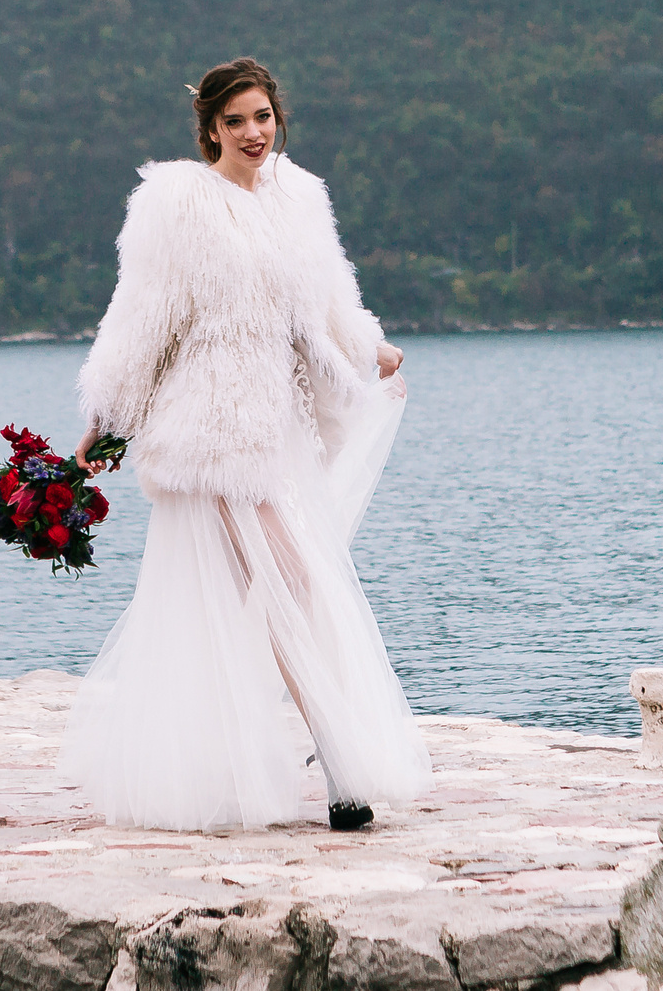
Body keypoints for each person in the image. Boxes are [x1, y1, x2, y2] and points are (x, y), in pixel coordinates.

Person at [60, 57, 430, 831]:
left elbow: (328, 296)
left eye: (262, 116)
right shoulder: (178, 204)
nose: (253, 133)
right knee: (291, 581)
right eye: (235, 122)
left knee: (266, 594)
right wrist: (104, 417)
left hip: (281, 426)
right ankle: (340, 772)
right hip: (210, 430)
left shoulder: (300, 196)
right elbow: (142, 319)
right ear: (209, 129)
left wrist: (369, 346)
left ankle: (234, 751)